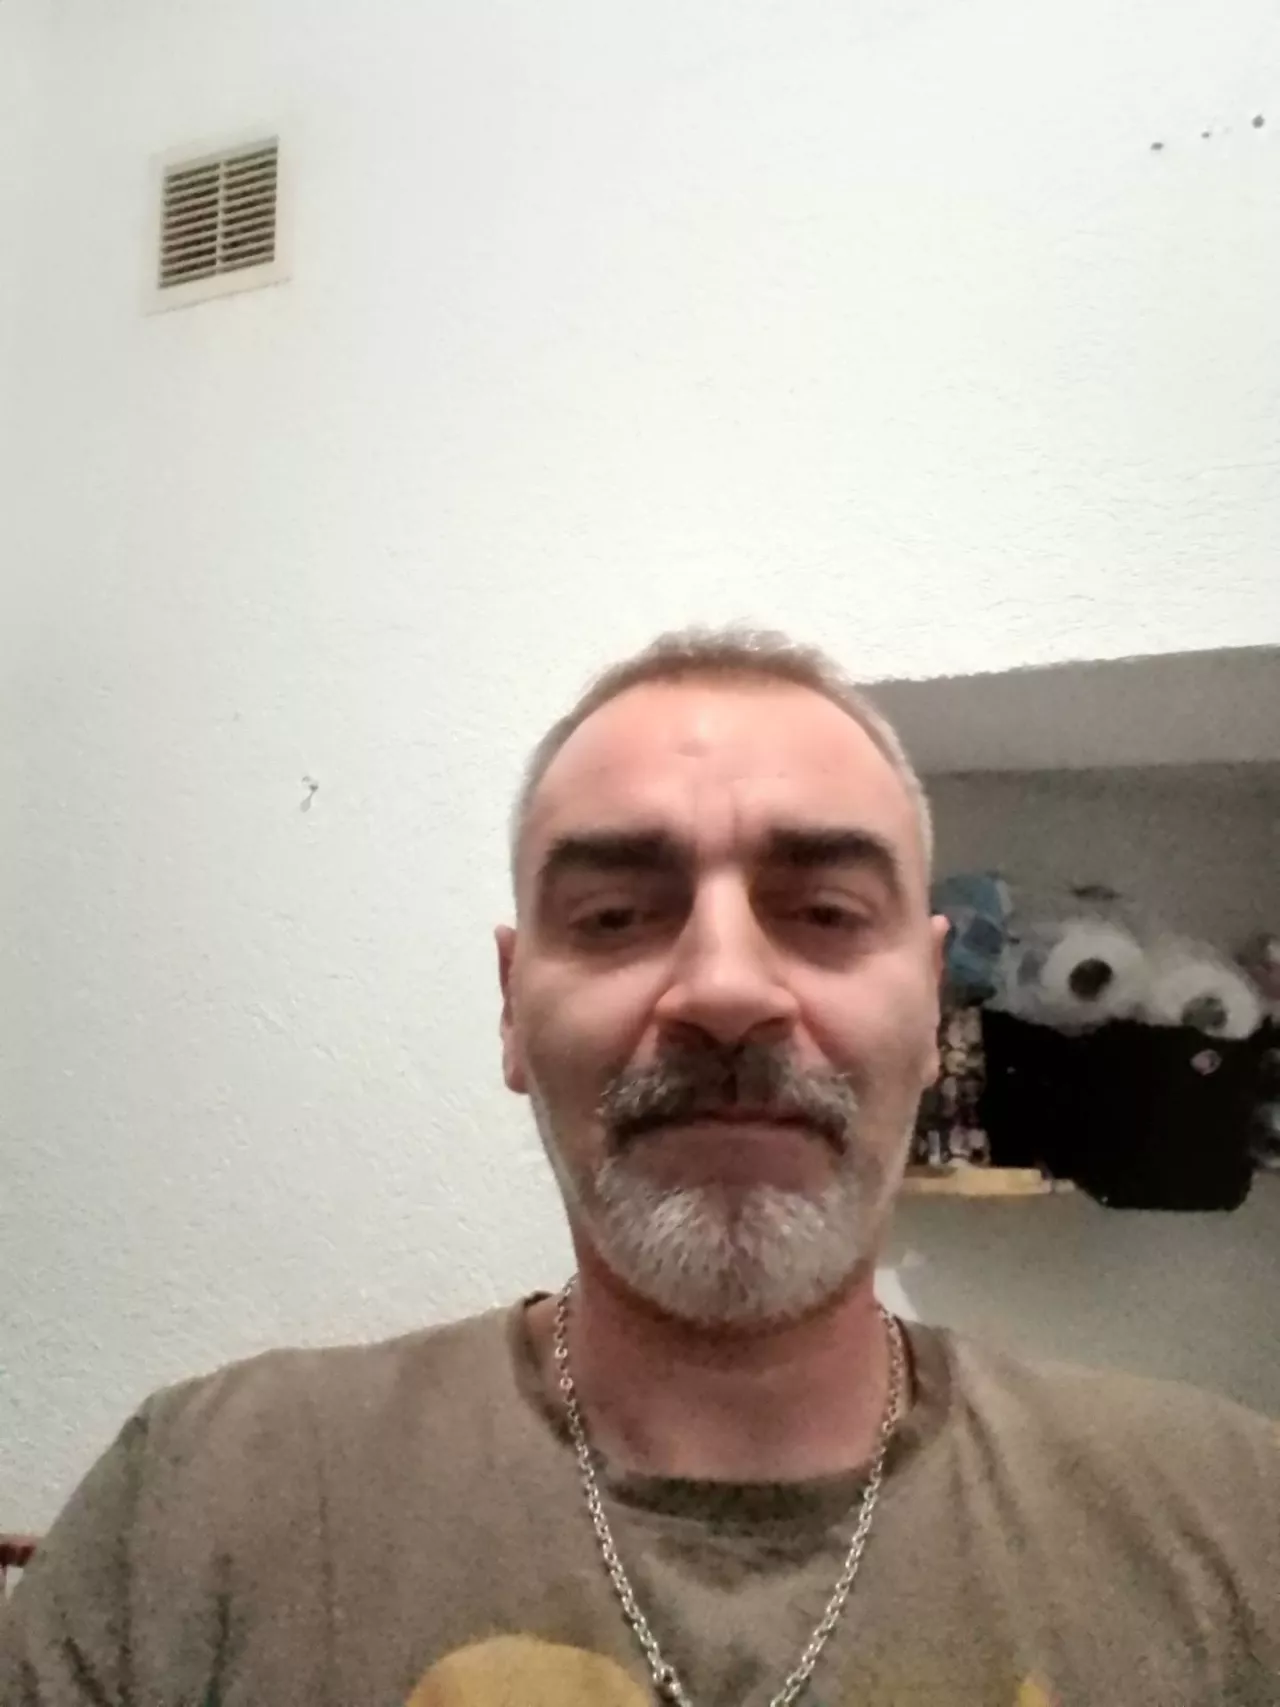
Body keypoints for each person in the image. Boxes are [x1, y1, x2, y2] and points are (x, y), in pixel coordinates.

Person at [2, 627, 1277, 1707]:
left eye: (824, 914)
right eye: (614, 917)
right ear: (513, 1009)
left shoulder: (1233, 1526)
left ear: (928, 1002)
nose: (723, 988)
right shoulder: (201, 1509)